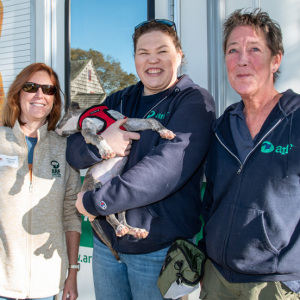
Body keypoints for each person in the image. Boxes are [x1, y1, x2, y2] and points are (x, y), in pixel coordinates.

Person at [67, 19, 215, 299]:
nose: (152, 60)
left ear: (180, 56)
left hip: (158, 250)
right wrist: (102, 146)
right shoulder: (120, 99)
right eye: (143, 53)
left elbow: (165, 171)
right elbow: (73, 148)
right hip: (106, 247)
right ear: (134, 58)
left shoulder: (193, 101)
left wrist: (96, 202)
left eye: (162, 51)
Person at [201, 9, 300, 300]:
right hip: (217, 278)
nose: (241, 59)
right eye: (233, 50)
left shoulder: (295, 121)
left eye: (254, 49)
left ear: (276, 60)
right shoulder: (221, 127)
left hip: (274, 284)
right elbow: (211, 200)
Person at [0, 63, 82, 300]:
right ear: (18, 93)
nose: (40, 95)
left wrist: (72, 273)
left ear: (54, 100)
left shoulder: (65, 148)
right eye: (31, 87)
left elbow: (70, 214)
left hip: (46, 286)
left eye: (48, 90)